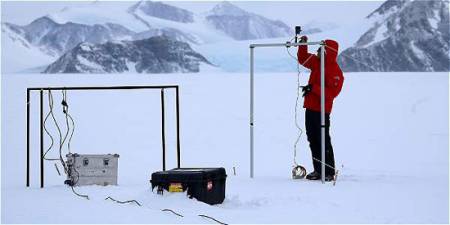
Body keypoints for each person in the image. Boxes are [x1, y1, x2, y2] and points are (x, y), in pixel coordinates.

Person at [297, 36, 344, 181]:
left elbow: (331, 93)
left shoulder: (335, 71)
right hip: (310, 108)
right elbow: (303, 58)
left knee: (323, 140)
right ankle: (318, 170)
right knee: (312, 139)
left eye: (319, 49)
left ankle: (329, 172)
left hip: (322, 111)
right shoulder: (317, 63)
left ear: (326, 51)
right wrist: (303, 45)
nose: (316, 52)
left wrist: (314, 88)